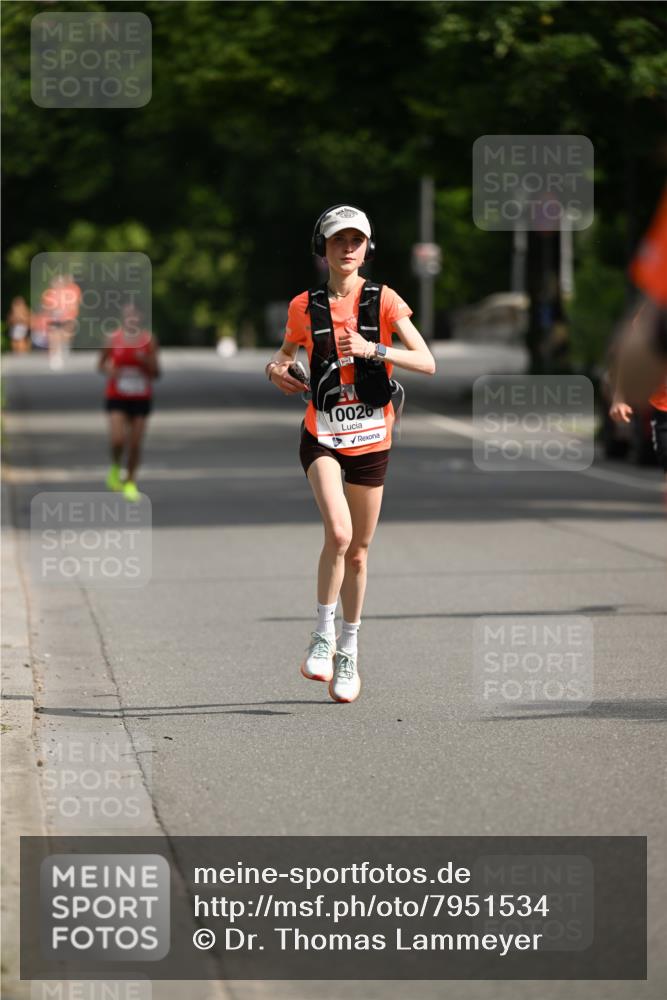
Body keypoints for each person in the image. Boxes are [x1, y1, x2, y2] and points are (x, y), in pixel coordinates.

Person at [265, 204, 435, 703]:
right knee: (338, 534)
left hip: (372, 437)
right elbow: (284, 356)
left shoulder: (385, 300)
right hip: (321, 433)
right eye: (338, 240)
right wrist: (276, 372)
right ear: (323, 247)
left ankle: (349, 650)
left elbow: (426, 361)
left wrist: (373, 350)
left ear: (367, 248)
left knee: (358, 551)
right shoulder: (304, 306)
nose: (347, 248)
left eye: (356, 240)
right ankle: (321, 635)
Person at [98, 303, 159, 501]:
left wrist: (145, 361)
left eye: (135, 315)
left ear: (140, 318)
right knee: (118, 440)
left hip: (141, 397)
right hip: (117, 395)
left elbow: (157, 373)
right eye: (128, 315)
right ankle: (115, 467)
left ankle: (130, 482)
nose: (131, 319)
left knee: (134, 444)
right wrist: (110, 371)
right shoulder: (112, 338)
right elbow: (100, 365)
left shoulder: (148, 340)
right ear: (122, 318)